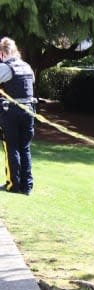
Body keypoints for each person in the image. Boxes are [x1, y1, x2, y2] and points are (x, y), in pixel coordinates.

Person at [0, 37, 35, 195]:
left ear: (2, 53)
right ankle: (26, 186)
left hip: (12, 112)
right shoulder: (27, 66)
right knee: (25, 148)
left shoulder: (6, 67)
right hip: (29, 111)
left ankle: (13, 184)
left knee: (11, 147)